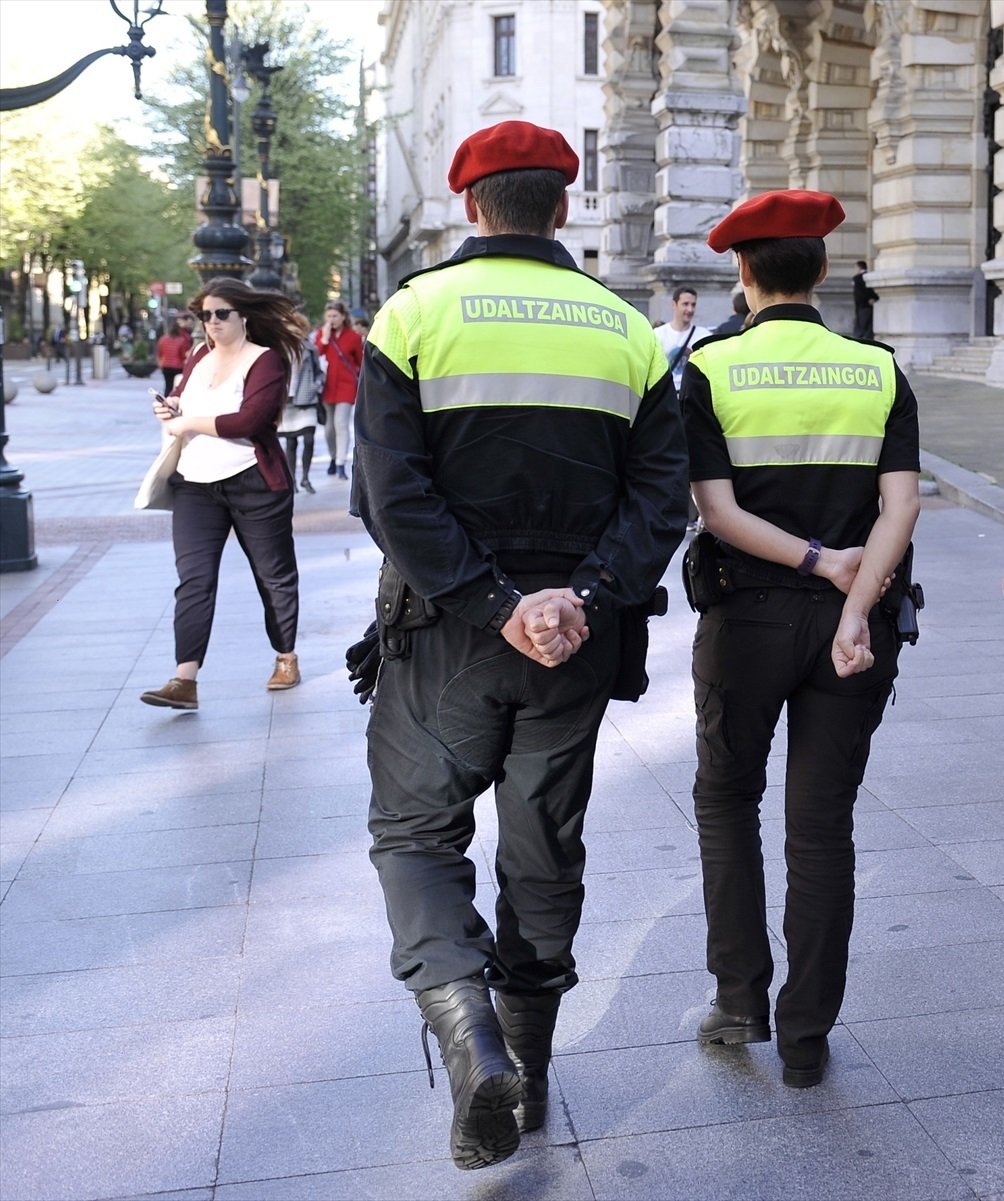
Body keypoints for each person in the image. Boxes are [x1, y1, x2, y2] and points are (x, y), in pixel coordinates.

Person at [353, 120, 688, 1169]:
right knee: (544, 845)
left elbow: (388, 495)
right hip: (579, 639)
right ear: (564, 206)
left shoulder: (412, 314)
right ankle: (531, 1073)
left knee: (416, 833)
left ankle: (470, 1036)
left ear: (471, 206)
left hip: (445, 632)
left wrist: (494, 601)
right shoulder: (624, 327)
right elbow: (659, 497)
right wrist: (579, 595)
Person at [682, 189, 920, 1092]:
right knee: (821, 827)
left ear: (742, 274)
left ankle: (740, 996)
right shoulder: (876, 366)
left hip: (745, 618)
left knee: (727, 800)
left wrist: (816, 561)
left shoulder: (711, 368)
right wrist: (854, 600)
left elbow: (716, 508)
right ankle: (808, 1036)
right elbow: (901, 505)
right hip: (851, 626)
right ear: (822, 269)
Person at [138, 282, 306, 711]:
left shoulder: (265, 361)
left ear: (243, 316)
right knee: (194, 579)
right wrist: (171, 408)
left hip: (253, 481)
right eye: (205, 315)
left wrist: (189, 421)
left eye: (221, 314)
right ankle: (184, 679)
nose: (211, 322)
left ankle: (286, 657)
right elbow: (181, 399)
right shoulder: (197, 357)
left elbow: (249, 420)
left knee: (273, 576)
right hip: (194, 484)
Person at [315, 299, 363, 478]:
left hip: (346, 385)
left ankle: (341, 462)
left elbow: (360, 362)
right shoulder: (322, 334)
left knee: (341, 423)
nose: (332, 319)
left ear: (343, 316)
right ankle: (333, 457)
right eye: (328, 316)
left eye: (335, 316)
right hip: (327, 386)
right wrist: (325, 339)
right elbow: (316, 354)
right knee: (329, 427)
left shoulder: (354, 337)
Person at [276, 315, 325, 493]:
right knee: (291, 442)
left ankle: (305, 477)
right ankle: (293, 480)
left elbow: (319, 372)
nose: (294, 330)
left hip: (307, 399)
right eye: (290, 326)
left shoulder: (310, 349)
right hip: (286, 401)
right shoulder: (278, 349)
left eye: (298, 327)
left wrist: (317, 385)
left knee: (309, 438)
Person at [654, 285, 710, 393]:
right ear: (674, 304)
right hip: (667, 396)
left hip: (692, 396)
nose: (690, 309)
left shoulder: (704, 335)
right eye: (685, 304)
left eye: (693, 305)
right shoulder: (658, 334)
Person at [156, 311, 195, 395]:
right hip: (178, 366)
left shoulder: (163, 339)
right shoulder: (183, 339)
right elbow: (184, 354)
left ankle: (166, 402)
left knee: (168, 386)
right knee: (177, 386)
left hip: (165, 365)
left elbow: (160, 352)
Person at [851, 258, 876, 340]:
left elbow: (859, 294)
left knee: (861, 329)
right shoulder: (870, 277)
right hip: (870, 306)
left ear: (859, 267)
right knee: (868, 328)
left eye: (855, 267)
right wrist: (873, 298)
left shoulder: (857, 278)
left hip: (862, 306)